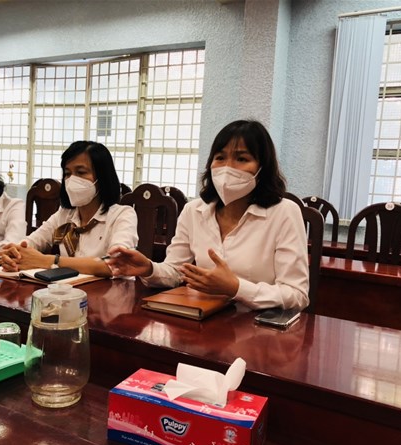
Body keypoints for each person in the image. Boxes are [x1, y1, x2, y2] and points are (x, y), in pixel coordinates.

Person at [106, 120, 309, 311]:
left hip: (257, 326)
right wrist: (149, 268)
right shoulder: (193, 211)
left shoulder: (284, 212)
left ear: (263, 168)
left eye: (242, 159)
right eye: (220, 158)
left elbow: (297, 295)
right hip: (204, 319)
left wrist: (236, 288)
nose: (228, 167)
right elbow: (176, 272)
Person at [0, 141, 138, 277]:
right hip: (68, 290)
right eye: (67, 173)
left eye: (81, 172)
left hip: (112, 291)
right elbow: (33, 241)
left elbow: (115, 263)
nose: (71, 180)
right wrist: (15, 254)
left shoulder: (123, 215)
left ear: (102, 178)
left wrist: (50, 261)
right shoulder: (64, 215)